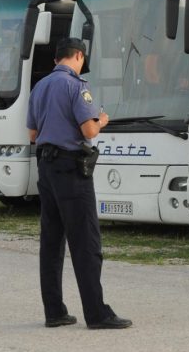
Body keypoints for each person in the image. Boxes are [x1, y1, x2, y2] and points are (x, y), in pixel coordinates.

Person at [26, 37, 132, 330]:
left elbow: (32, 135)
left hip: (45, 168)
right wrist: (101, 120)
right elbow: (89, 130)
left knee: (52, 241)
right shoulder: (77, 87)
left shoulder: (40, 87)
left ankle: (54, 310)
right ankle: (97, 313)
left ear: (55, 60)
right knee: (85, 241)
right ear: (80, 57)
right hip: (71, 169)